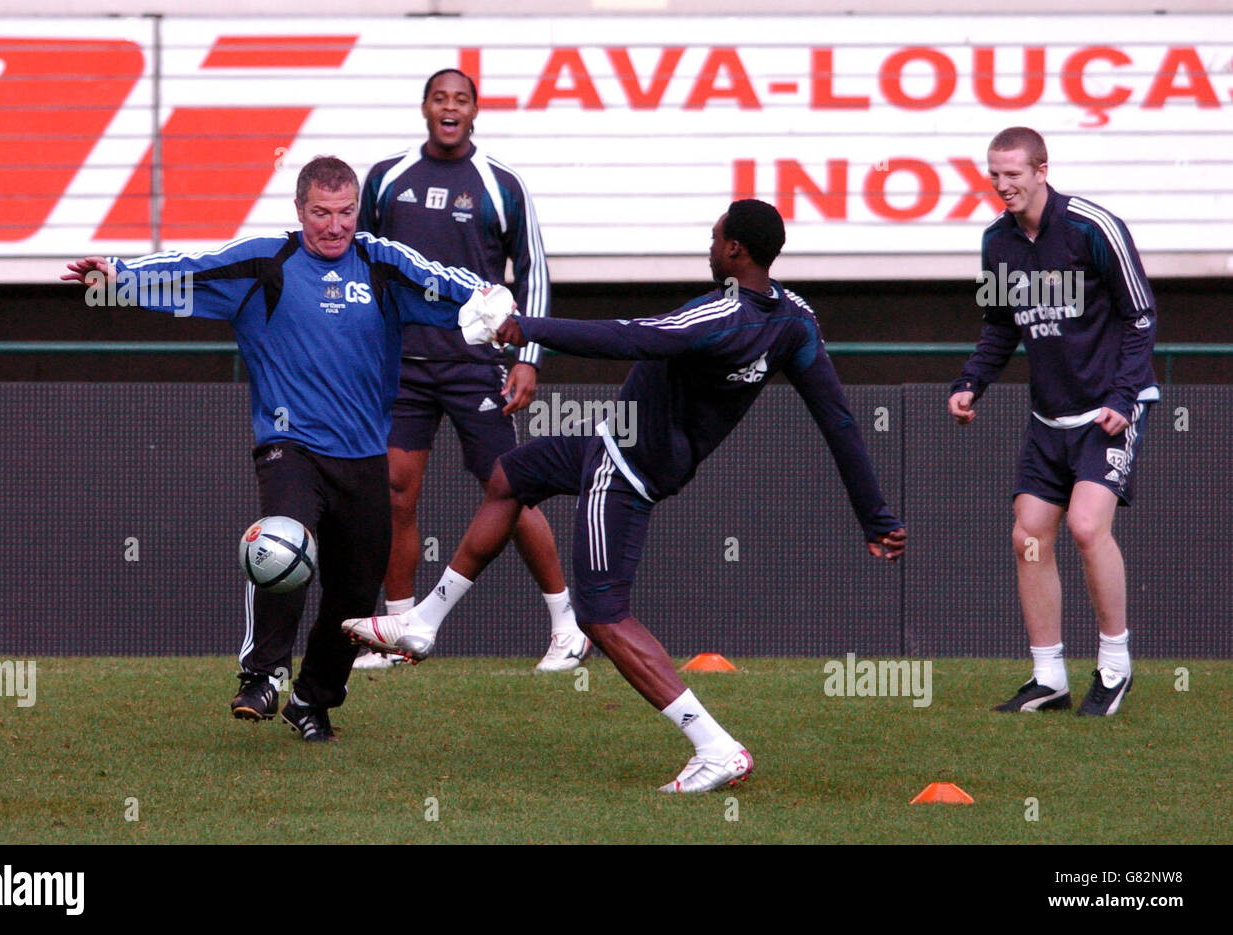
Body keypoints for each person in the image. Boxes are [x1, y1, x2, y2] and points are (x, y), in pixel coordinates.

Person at [344, 199, 907, 792]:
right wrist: (875, 516)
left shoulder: (721, 315)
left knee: (602, 615)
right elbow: (840, 422)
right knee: (509, 478)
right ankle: (423, 624)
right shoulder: (795, 318)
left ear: (735, 250)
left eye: (716, 235)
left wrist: (524, 329)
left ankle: (715, 747)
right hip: (620, 444)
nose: (710, 242)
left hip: (625, 467)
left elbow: (627, 337)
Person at [62, 155, 503, 741]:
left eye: (345, 212)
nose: (335, 225)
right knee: (282, 543)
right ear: (300, 211)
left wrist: (493, 305)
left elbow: (456, 287)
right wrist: (118, 274)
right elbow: (195, 268)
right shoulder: (267, 261)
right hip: (288, 444)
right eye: (321, 213)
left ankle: (312, 700)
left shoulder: (381, 262)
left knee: (354, 592)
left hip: (364, 453)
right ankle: (262, 673)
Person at [354, 68, 587, 673]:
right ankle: (399, 630)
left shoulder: (499, 183)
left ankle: (568, 626)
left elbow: (532, 271)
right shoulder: (385, 178)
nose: (450, 108)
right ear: (425, 108)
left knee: (510, 488)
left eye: (461, 99)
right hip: (401, 365)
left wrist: (528, 358)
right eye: (440, 98)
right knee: (395, 493)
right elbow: (362, 264)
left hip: (476, 365)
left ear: (475, 111)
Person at [949, 126, 1158, 717]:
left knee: (1088, 527)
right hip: (1048, 418)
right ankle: (1049, 678)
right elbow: (1000, 325)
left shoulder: (1094, 227)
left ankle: (1115, 667)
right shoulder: (998, 242)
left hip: (1108, 411)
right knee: (1028, 537)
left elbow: (1141, 316)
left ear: (1042, 171)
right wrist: (971, 383)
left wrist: (1123, 396)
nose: (1001, 184)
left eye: (1013, 174)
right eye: (994, 174)